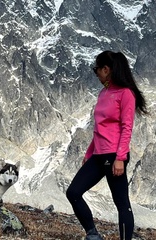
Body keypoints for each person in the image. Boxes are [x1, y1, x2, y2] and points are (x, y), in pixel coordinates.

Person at [66, 50, 148, 240]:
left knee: (121, 202)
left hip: (114, 156)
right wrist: (88, 153)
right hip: (98, 155)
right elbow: (99, 128)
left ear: (106, 69)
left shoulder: (125, 94)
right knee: (74, 192)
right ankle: (93, 235)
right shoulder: (104, 93)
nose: (95, 73)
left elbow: (127, 127)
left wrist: (120, 158)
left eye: (97, 69)